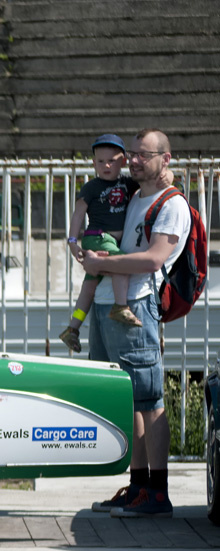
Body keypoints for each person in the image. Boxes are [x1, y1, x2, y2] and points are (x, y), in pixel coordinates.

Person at [82, 129, 189, 518]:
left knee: (150, 400)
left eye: (145, 155)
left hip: (137, 307)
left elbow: (153, 259)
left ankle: (157, 493)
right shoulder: (134, 195)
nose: (134, 161)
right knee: (129, 402)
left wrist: (101, 264)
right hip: (109, 301)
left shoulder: (171, 203)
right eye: (134, 154)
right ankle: (138, 485)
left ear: (166, 158)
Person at [58, 133, 140, 353]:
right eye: (101, 161)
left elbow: (150, 183)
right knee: (122, 264)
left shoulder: (128, 184)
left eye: (112, 160)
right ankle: (121, 307)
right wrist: (73, 242)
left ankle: (72, 328)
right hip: (98, 237)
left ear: (122, 162)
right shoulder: (91, 187)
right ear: (93, 163)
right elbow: (77, 215)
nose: (106, 165)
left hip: (108, 239)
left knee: (89, 288)